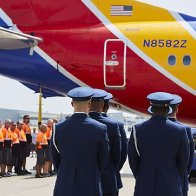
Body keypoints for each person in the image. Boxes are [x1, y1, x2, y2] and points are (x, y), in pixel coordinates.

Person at [128, 92, 189, 196]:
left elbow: (133, 161)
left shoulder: (137, 129)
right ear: (168, 109)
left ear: (151, 108)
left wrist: (142, 176)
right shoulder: (180, 131)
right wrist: (172, 176)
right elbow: (183, 162)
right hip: (170, 187)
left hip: (144, 186)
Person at [51, 86, 109, 196]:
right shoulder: (100, 128)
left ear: (72, 104)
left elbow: (55, 158)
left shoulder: (58, 128)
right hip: (91, 183)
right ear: (89, 104)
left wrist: (66, 170)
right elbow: (103, 158)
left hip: (65, 183)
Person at [89, 89, 121, 196]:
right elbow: (118, 155)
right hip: (108, 179)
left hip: (83, 181)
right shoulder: (114, 125)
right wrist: (111, 169)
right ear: (103, 104)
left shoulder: (77, 124)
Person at [168, 94, 195, 195]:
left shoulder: (146, 129)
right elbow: (189, 157)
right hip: (179, 178)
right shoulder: (185, 130)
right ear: (177, 110)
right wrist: (184, 174)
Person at [102, 92, 128, 195]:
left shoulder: (82, 125)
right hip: (110, 178)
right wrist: (113, 169)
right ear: (107, 106)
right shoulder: (117, 125)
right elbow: (121, 153)